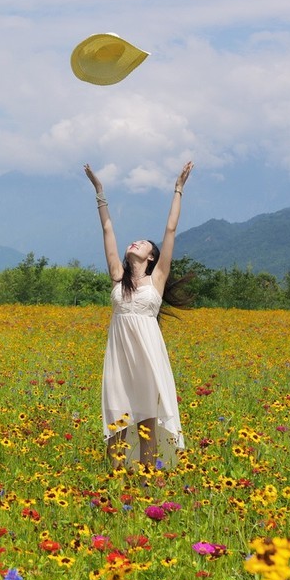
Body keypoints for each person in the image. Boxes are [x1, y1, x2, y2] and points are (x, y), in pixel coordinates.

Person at [84, 161, 194, 473]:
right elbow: (107, 229)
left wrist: (178, 189)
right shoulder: (118, 276)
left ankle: (148, 483)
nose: (135, 242)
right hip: (118, 356)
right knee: (116, 421)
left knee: (147, 423)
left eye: (142, 244)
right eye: (135, 241)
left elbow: (170, 229)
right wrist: (99, 190)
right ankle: (117, 481)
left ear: (150, 257)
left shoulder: (157, 277)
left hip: (147, 356)